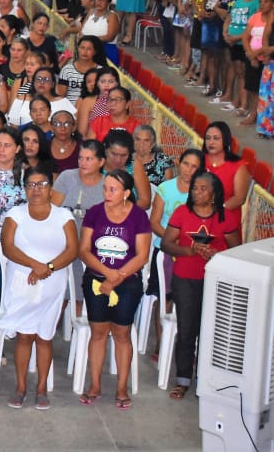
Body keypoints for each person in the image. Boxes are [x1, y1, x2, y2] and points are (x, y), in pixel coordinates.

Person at [0, 167, 78, 410]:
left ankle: (41, 387)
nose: (36, 190)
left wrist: (48, 267)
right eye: (31, 185)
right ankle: (21, 386)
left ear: (50, 187)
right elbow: (7, 247)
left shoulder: (64, 216)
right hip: (23, 282)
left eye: (41, 184)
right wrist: (35, 265)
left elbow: (72, 250)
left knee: (44, 336)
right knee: (24, 336)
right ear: (24, 188)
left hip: (52, 283)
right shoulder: (15, 214)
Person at [161, 172, 241, 401]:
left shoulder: (226, 218)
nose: (197, 192)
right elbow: (167, 243)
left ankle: (205, 381)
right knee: (187, 330)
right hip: (185, 277)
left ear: (214, 193)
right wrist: (190, 250)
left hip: (216, 280)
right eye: (195, 188)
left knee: (211, 332)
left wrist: (217, 255)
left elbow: (238, 251)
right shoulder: (182, 213)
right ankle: (183, 380)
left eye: (203, 188)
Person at [77, 169, 151, 409]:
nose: (107, 193)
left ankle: (121, 386)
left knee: (122, 334)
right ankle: (95, 383)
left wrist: (117, 277)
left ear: (127, 193)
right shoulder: (95, 213)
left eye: (113, 189)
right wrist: (107, 274)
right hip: (97, 280)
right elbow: (84, 250)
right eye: (105, 188)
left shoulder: (139, 216)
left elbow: (142, 256)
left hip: (127, 282)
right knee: (97, 333)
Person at [201, 122, 252, 211]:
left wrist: (215, 211)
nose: (211, 142)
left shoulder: (238, 166)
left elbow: (239, 199)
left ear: (225, 140)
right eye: (208, 138)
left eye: (216, 138)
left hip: (225, 215)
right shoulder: (199, 160)